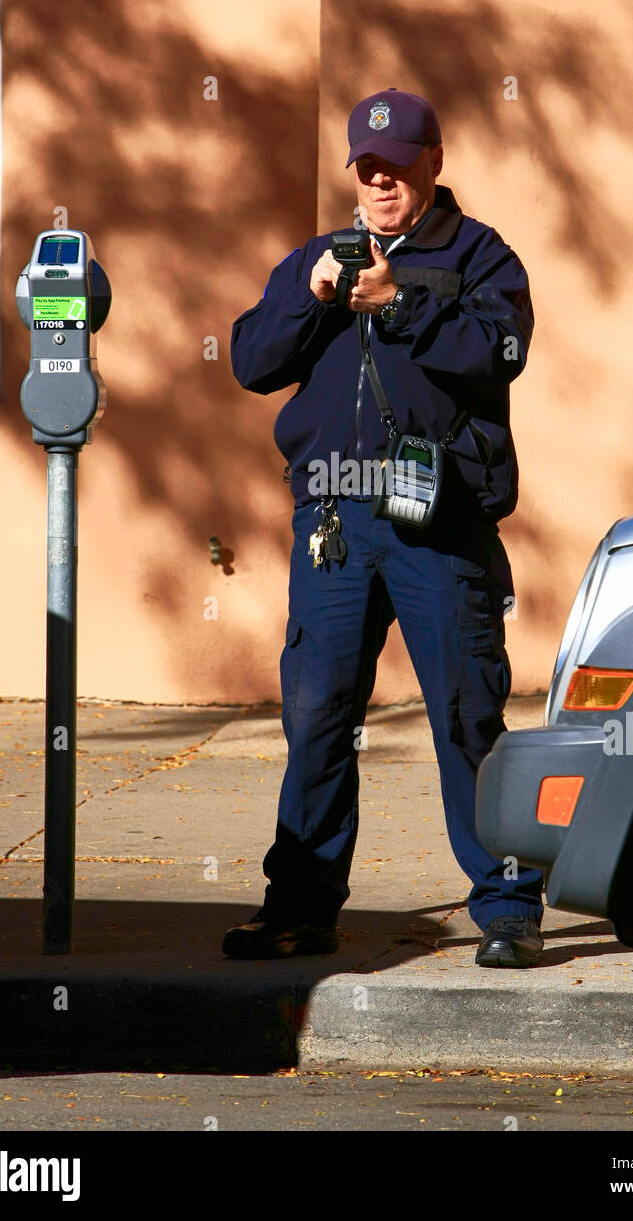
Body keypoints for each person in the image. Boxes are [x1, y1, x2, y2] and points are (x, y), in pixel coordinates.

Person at [226, 88, 544, 968]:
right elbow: (252, 361)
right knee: (318, 714)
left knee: (463, 712)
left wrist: (400, 299)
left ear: (433, 164)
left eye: (398, 166)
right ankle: (300, 909)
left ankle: (509, 906)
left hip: (440, 523)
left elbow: (500, 351)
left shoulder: (480, 256)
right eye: (367, 168)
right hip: (334, 523)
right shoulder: (317, 258)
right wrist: (318, 297)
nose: (381, 181)